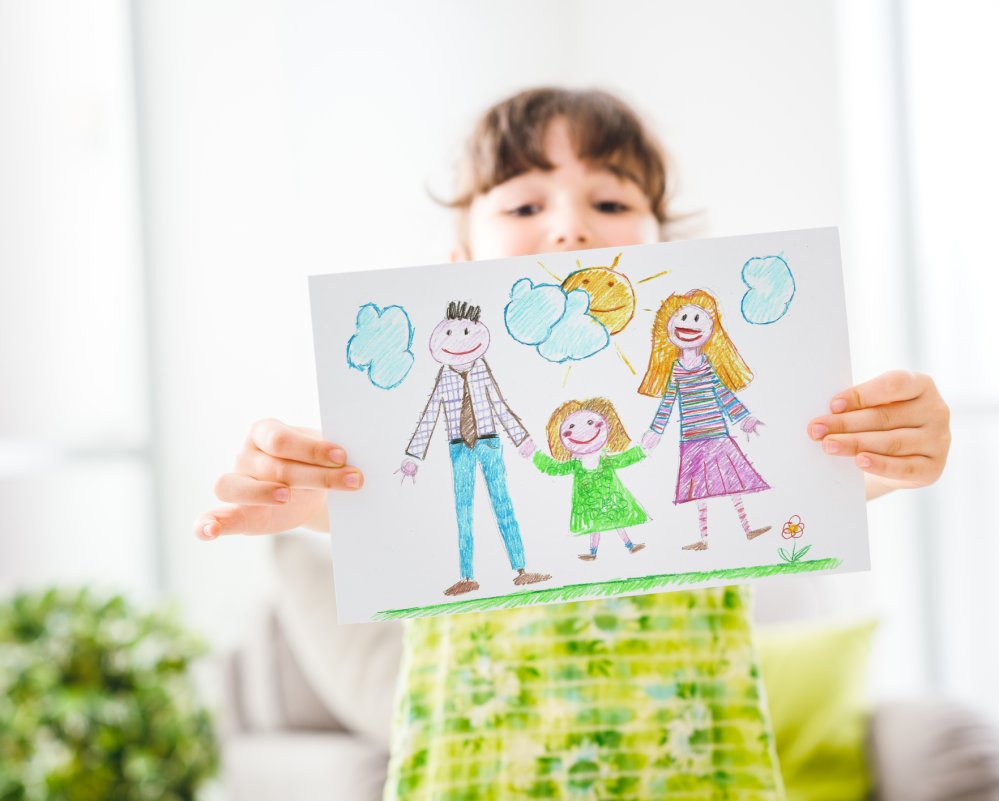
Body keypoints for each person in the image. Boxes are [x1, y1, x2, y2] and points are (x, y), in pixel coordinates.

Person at [196, 87, 951, 800]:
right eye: (525, 203)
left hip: (698, 775)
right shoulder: (433, 401)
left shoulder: (694, 370)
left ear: (666, 248)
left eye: (611, 200)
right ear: (457, 267)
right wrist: (300, 498)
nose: (569, 226)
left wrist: (900, 447)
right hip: (474, 778)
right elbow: (385, 509)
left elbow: (820, 477)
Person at [396, 299, 551, 596]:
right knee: (463, 509)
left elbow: (499, 405)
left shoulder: (482, 370)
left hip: (490, 441)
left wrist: (522, 439)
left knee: (503, 503)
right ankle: (467, 576)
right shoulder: (444, 377)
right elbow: (431, 412)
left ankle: (521, 570)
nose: (458, 342)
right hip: (459, 446)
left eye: (466, 333)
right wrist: (414, 454)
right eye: (450, 335)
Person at [639, 289, 771, 550]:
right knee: (700, 491)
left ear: (712, 329)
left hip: (717, 435)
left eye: (697, 319)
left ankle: (748, 529)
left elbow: (724, 394)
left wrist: (744, 418)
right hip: (691, 438)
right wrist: (655, 431)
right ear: (668, 327)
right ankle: (703, 539)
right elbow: (667, 403)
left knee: (732, 484)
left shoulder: (708, 365)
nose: (689, 324)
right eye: (683, 317)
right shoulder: (675, 370)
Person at [532, 397, 649, 561]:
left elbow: (625, 458)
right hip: (590, 506)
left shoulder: (605, 460)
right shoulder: (576, 465)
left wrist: (643, 449)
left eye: (589, 423)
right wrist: (534, 454)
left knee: (617, 522)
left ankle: (629, 545)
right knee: (596, 527)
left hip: (611, 499)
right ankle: (594, 553)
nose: (583, 431)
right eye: (571, 426)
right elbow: (554, 468)